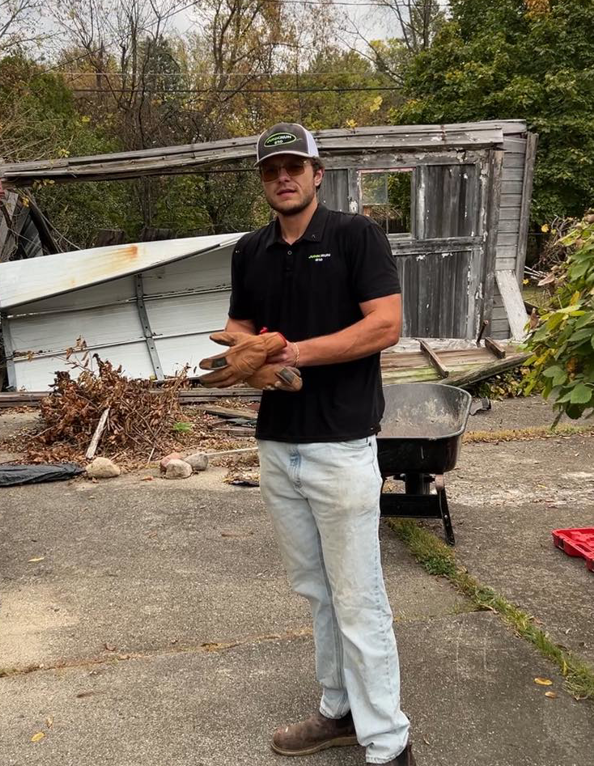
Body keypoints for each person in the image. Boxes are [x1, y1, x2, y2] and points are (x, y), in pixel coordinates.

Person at [200, 122, 414, 766]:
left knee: (359, 595)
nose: (283, 177)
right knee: (316, 590)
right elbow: (237, 325)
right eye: (271, 170)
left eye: (295, 166)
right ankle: (339, 710)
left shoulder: (355, 236)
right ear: (263, 180)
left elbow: (385, 325)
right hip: (278, 444)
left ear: (318, 174)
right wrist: (252, 360)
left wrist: (294, 353)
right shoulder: (251, 249)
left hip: (342, 443)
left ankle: (388, 742)